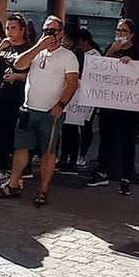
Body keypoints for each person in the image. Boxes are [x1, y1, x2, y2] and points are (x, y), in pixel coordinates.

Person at [0, 15, 79, 206]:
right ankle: (14, 183)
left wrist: (60, 105)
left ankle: (43, 190)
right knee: (21, 147)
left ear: (61, 33)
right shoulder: (37, 52)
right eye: (46, 30)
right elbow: (19, 64)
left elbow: (72, 84)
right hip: (29, 109)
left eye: (53, 31)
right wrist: (40, 46)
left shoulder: (68, 56)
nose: (49, 34)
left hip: (51, 111)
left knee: (48, 152)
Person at [88, 19, 139, 194]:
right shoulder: (111, 47)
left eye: (124, 31)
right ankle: (101, 172)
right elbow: (101, 70)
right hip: (110, 105)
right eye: (118, 30)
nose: (120, 33)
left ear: (131, 34)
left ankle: (125, 177)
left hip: (129, 107)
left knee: (128, 142)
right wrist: (111, 52)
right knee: (105, 139)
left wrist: (130, 63)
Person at [0, 14, 32, 187]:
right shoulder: (5, 48)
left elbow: (34, 75)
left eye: (13, 28)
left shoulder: (29, 49)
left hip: (17, 99)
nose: (9, 31)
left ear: (22, 30)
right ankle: (0, 169)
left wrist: (17, 77)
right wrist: (0, 47)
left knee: (15, 137)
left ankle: (17, 173)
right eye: (7, 28)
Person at [57, 23, 86, 173]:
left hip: (73, 95)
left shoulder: (76, 53)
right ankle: (63, 157)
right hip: (63, 91)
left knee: (72, 129)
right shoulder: (67, 51)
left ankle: (71, 159)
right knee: (65, 129)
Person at [74, 28, 101, 169]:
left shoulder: (94, 56)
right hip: (78, 94)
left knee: (85, 125)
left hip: (89, 95)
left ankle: (82, 154)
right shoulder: (79, 54)